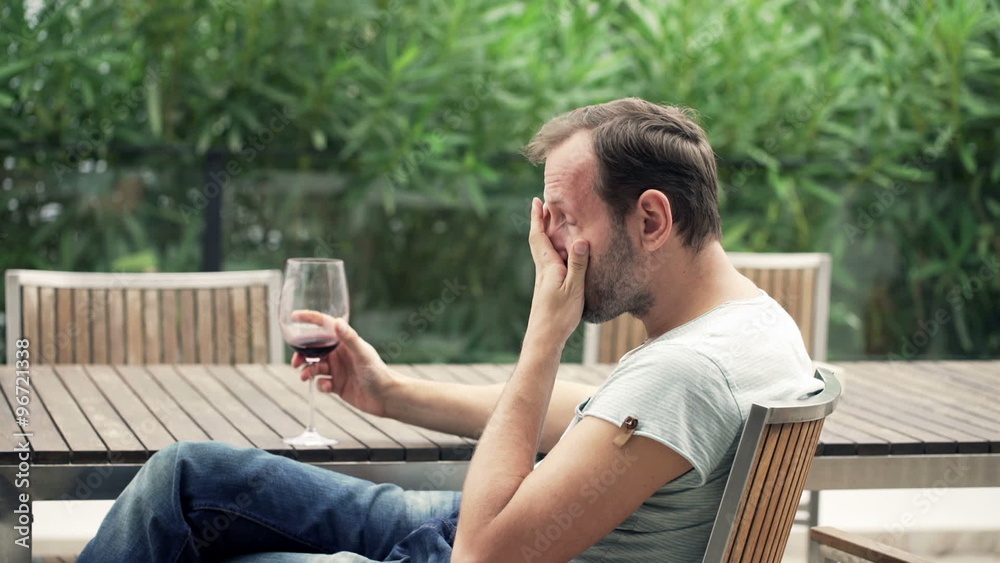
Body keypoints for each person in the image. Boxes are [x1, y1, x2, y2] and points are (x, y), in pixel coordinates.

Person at [79, 98, 820, 562]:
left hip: (479, 543)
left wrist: (544, 331)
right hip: (501, 524)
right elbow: (595, 419)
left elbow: (482, 555)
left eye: (563, 217)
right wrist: (390, 390)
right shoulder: (757, 328)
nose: (549, 243)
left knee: (184, 498)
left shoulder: (685, 373)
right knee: (192, 481)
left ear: (651, 218)